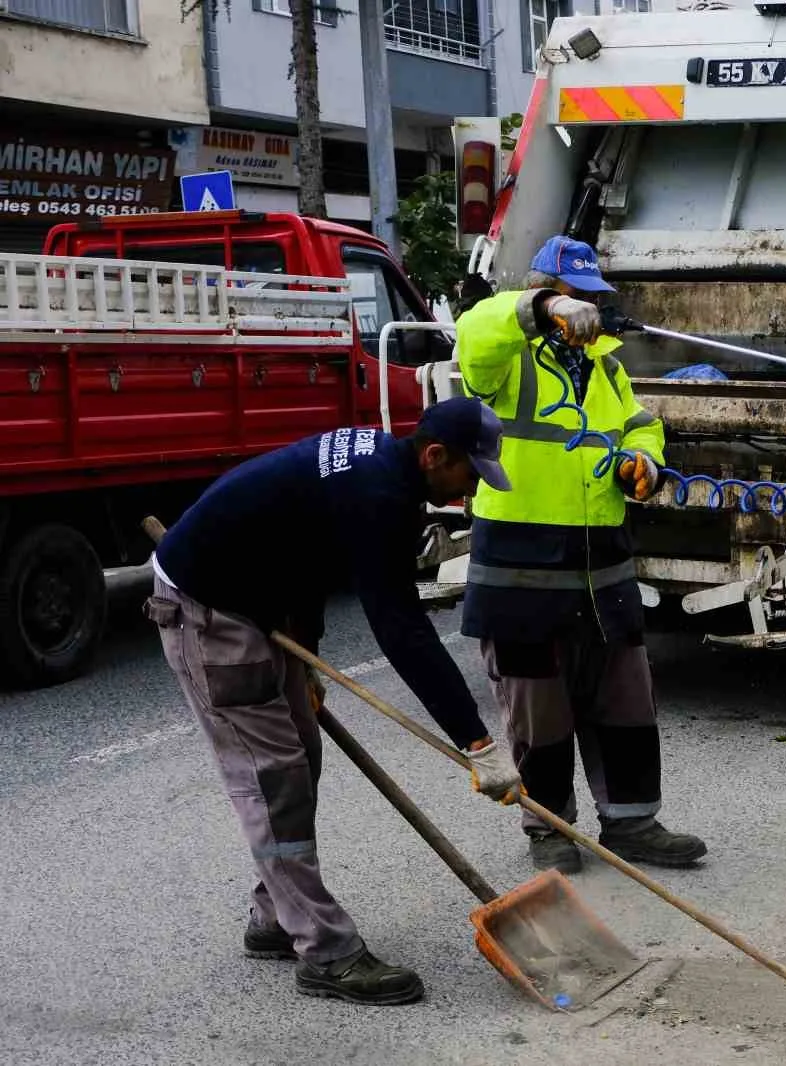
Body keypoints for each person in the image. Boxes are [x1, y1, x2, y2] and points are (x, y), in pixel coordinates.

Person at [146, 396, 532, 1006]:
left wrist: (306, 651)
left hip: (255, 600)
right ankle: (326, 953)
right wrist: (476, 741)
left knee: (303, 751)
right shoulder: (381, 496)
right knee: (274, 781)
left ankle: (276, 916)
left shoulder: (385, 468)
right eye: (468, 476)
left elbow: (307, 548)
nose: (470, 494)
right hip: (209, 611)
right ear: (435, 456)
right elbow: (401, 628)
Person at [453, 235, 707, 874]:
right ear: (546, 295)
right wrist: (539, 310)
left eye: (593, 300)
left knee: (625, 703)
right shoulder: (508, 362)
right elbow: (475, 332)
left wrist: (644, 461)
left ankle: (633, 823)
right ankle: (549, 830)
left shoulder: (608, 369)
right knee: (539, 713)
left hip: (603, 567)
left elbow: (640, 425)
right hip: (522, 568)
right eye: (577, 301)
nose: (588, 314)